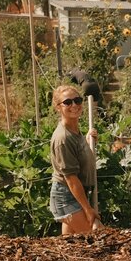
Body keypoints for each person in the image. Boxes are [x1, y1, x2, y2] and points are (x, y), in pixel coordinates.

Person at [48, 85, 100, 234]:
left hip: (75, 194)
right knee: (98, 236)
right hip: (67, 196)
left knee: (71, 246)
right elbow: (71, 178)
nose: (74, 105)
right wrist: (88, 209)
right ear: (58, 107)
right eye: (67, 102)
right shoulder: (63, 138)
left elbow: (77, 153)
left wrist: (89, 140)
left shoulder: (74, 130)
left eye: (77, 100)